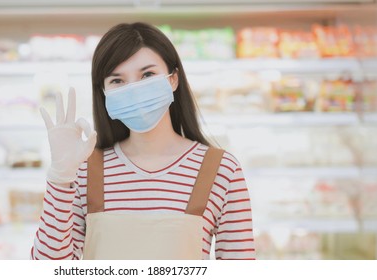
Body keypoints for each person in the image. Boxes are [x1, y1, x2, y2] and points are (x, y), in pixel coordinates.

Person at [31, 22, 255, 260]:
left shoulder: (221, 170)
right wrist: (60, 177)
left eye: (147, 75)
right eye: (117, 81)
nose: (135, 90)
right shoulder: (84, 170)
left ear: (173, 79)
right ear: (104, 93)